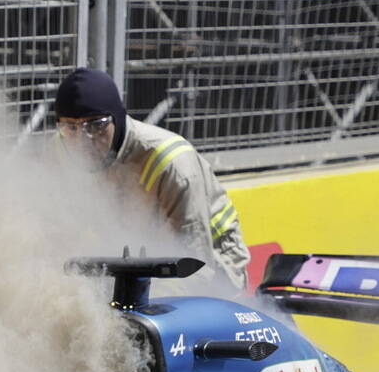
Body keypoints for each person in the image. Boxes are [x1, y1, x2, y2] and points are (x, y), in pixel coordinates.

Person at [52, 68, 250, 288]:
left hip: (212, 257)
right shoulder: (60, 149)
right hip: (132, 253)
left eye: (96, 125)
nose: (83, 140)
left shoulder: (172, 163)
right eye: (71, 126)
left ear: (117, 120)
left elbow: (195, 264)